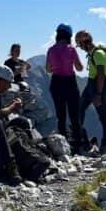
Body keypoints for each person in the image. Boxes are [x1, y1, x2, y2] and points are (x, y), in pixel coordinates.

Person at [45, 23, 83, 151]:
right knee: (74, 115)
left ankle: (63, 145)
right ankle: (77, 145)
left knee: (61, 115)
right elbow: (79, 68)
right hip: (70, 83)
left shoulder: (51, 50)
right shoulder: (71, 49)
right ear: (69, 36)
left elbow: (48, 69)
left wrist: (57, 66)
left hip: (56, 82)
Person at [74, 30, 106, 155]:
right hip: (91, 85)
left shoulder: (98, 54)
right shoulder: (93, 53)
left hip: (97, 87)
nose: (80, 47)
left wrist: (98, 94)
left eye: (80, 44)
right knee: (79, 109)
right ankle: (79, 139)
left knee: (103, 116)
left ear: (85, 42)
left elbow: (101, 74)